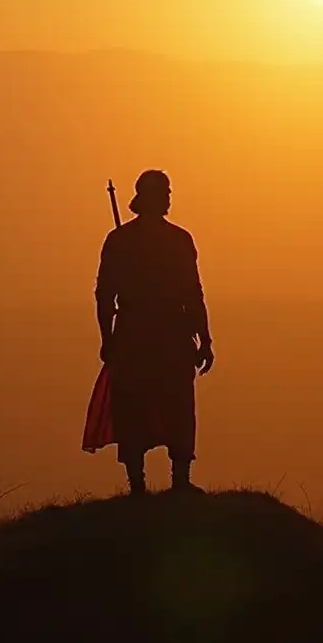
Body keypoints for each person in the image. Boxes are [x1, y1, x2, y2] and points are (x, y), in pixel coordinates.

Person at [94, 170, 213, 494]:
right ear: (151, 197)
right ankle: (151, 484)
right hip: (155, 334)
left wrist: (205, 337)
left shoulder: (130, 241)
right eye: (165, 192)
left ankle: (166, 482)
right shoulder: (169, 240)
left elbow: (192, 292)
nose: (169, 198)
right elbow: (105, 293)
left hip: (149, 334)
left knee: (163, 405)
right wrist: (204, 339)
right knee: (146, 406)